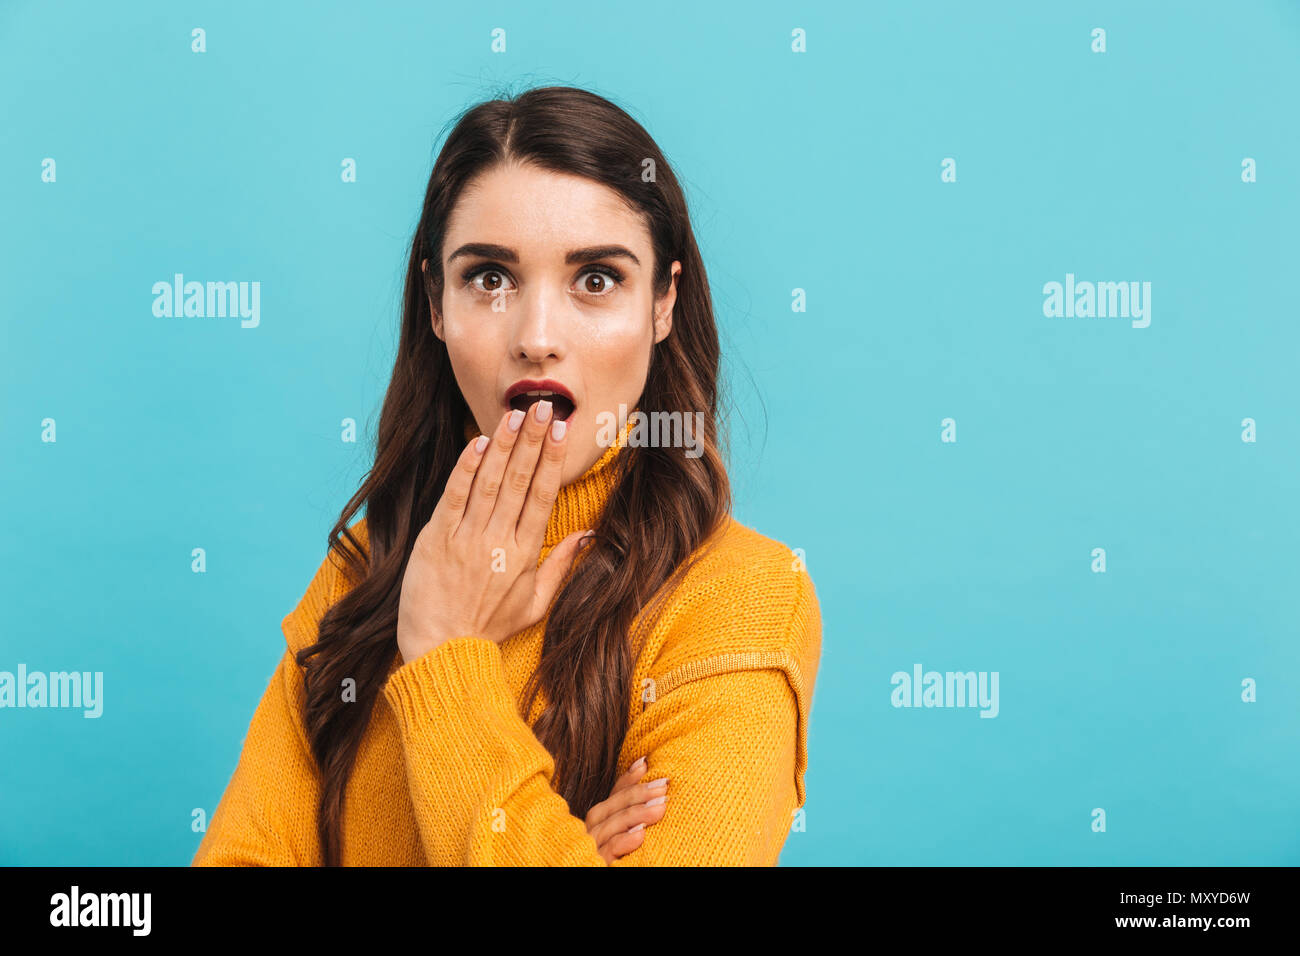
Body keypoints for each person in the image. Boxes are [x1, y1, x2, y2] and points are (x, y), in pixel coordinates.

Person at [193, 85, 821, 866]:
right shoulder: (368, 565)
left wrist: (445, 653)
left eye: (596, 279)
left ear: (664, 302)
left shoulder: (742, 598)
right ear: (435, 302)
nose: (537, 337)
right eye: (490, 278)